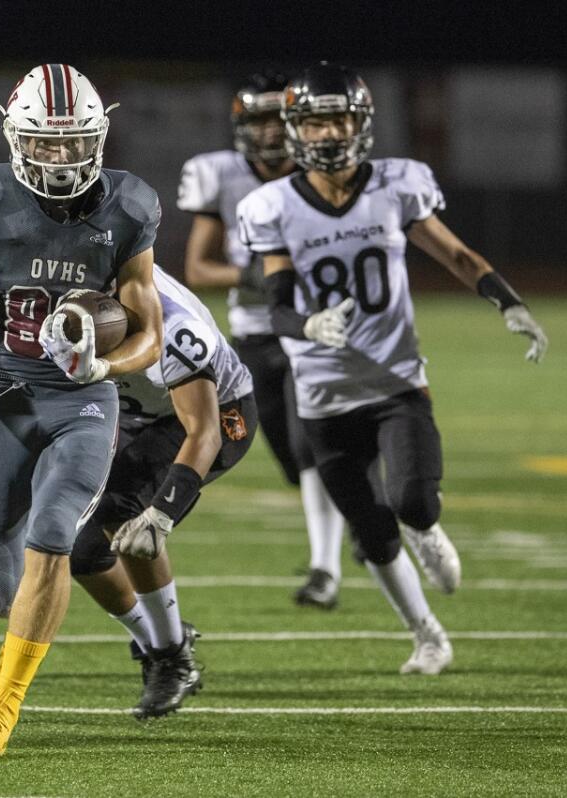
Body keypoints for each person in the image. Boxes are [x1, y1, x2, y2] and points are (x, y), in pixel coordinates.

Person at [237, 63, 549, 674]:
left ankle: (428, 530)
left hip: (395, 383)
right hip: (323, 400)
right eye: (317, 121)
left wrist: (508, 303)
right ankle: (428, 635)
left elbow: (455, 253)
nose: (329, 133)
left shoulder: (399, 185)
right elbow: (272, 308)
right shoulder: (271, 205)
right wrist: (309, 326)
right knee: (373, 536)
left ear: (360, 124)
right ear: (297, 130)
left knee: (412, 501)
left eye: (340, 119)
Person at [0, 63, 163, 758]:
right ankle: (24, 594)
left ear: (98, 139)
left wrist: (102, 364)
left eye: (74, 142)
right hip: (8, 393)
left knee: (54, 532)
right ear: (16, 138)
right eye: (44, 143)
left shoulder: (128, 206)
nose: (60, 157)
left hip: (82, 404)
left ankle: (1, 709)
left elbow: (149, 333)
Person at [178, 71, 345, 609]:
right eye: (260, 121)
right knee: (288, 455)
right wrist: (261, 277)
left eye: (279, 120)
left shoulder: (328, 173)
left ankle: (326, 569)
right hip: (254, 331)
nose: (272, 133)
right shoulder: (219, 174)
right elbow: (199, 268)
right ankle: (360, 512)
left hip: (313, 330)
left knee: (310, 443)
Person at [70, 265, 257, 719]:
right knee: (83, 554)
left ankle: (171, 657)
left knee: (126, 510)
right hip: (134, 412)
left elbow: (204, 434)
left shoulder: (177, 330)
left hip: (214, 416)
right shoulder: (67, 306)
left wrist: (162, 514)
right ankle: (158, 642)